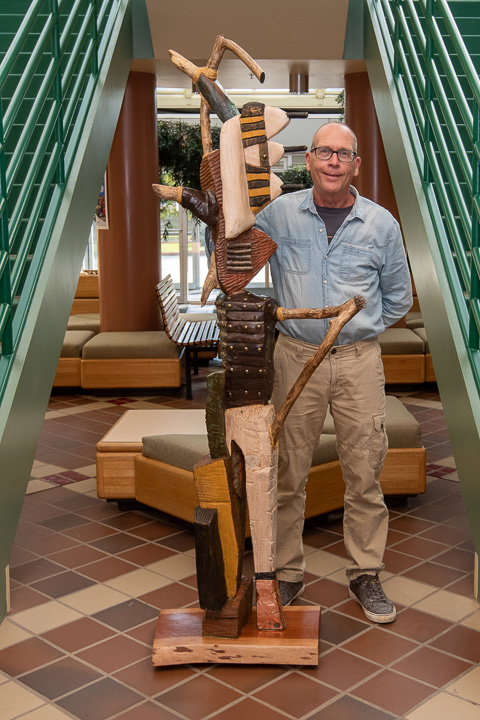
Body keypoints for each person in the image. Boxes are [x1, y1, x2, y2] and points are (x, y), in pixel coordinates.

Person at [255, 121, 412, 623]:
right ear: (309, 160)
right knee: (286, 472)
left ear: (356, 165)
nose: (334, 161)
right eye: (325, 152)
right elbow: (237, 255)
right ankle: (287, 573)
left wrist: (358, 332)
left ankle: (365, 573)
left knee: (365, 473)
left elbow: (398, 298)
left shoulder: (381, 224)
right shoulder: (278, 215)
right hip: (295, 357)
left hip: (357, 362)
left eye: (344, 154)